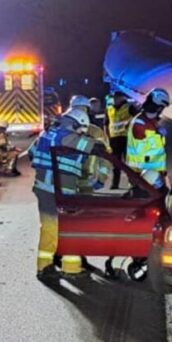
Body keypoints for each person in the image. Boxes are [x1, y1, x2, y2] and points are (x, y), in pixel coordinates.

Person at [29, 107, 103, 279]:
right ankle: (71, 268)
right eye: (80, 129)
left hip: (43, 188)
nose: (80, 133)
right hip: (61, 191)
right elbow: (91, 147)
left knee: (49, 227)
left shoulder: (46, 135)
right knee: (70, 228)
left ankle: (45, 266)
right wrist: (99, 143)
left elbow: (32, 154)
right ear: (76, 124)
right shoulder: (68, 136)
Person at [126, 88, 170, 189]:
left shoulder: (151, 122)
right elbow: (143, 137)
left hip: (155, 174)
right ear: (159, 108)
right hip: (145, 176)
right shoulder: (140, 123)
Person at [105, 91, 134, 189]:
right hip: (114, 139)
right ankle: (115, 184)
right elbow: (106, 123)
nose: (115, 99)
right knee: (116, 163)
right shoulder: (109, 108)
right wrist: (107, 137)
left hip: (126, 138)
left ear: (122, 98)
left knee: (129, 163)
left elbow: (136, 118)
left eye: (117, 98)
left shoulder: (129, 107)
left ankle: (132, 183)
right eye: (114, 98)